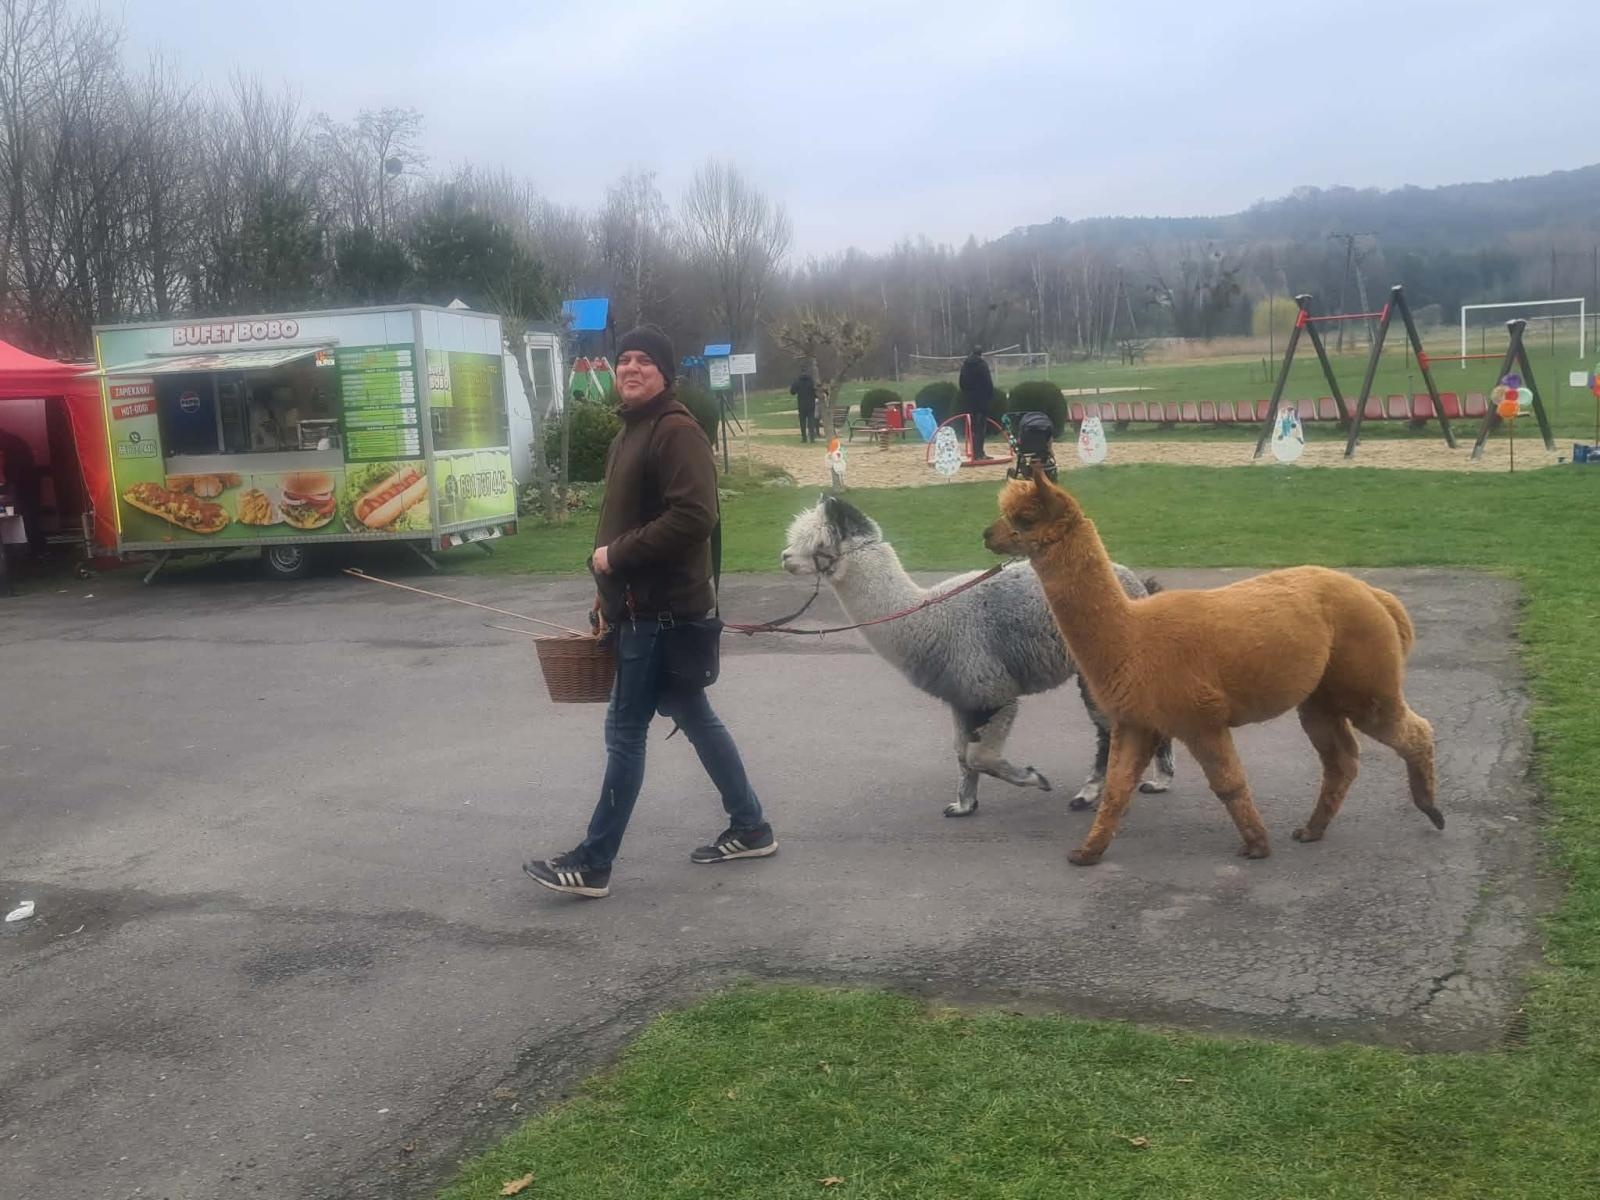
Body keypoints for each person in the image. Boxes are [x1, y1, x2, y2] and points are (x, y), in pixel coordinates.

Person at [524, 325, 776, 900]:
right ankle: (751, 825)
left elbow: (694, 517)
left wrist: (617, 556)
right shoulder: (630, 433)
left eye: (644, 361)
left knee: (624, 735)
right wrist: (604, 585)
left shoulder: (674, 431)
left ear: (666, 373)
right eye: (624, 359)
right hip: (638, 607)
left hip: (660, 614)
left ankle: (593, 863)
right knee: (694, 715)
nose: (631, 368)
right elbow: (623, 521)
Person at [0, 428, 45, 559]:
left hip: (22, 481)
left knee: (26, 515)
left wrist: (7, 486)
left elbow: (10, 469)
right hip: (27, 480)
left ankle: (34, 549)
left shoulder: (7, 442)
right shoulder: (12, 439)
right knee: (30, 515)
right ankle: (37, 548)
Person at [958, 346, 996, 459]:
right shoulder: (982, 365)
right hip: (981, 401)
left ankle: (974, 452)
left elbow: (961, 382)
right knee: (981, 428)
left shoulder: (965, 365)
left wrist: (966, 394)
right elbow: (988, 382)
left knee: (972, 428)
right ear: (981, 354)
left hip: (969, 401)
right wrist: (989, 396)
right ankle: (979, 453)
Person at [789, 371, 817, 442]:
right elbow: (816, 392)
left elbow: (792, 392)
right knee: (811, 421)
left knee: (802, 422)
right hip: (811, 404)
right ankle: (812, 438)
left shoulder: (798, 381)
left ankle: (804, 438)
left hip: (801, 405)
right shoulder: (811, 381)